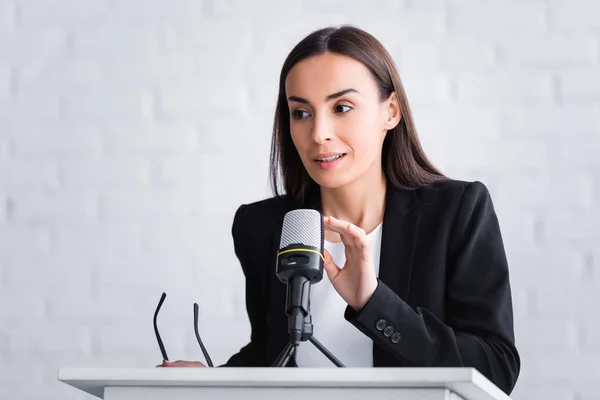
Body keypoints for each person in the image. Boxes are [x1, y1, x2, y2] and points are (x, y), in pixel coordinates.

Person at [157, 25, 520, 395]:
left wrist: (372, 301)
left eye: (342, 107)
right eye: (301, 113)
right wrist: (208, 379)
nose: (318, 134)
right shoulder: (263, 226)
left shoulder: (456, 212)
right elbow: (273, 352)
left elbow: (496, 370)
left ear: (390, 112)